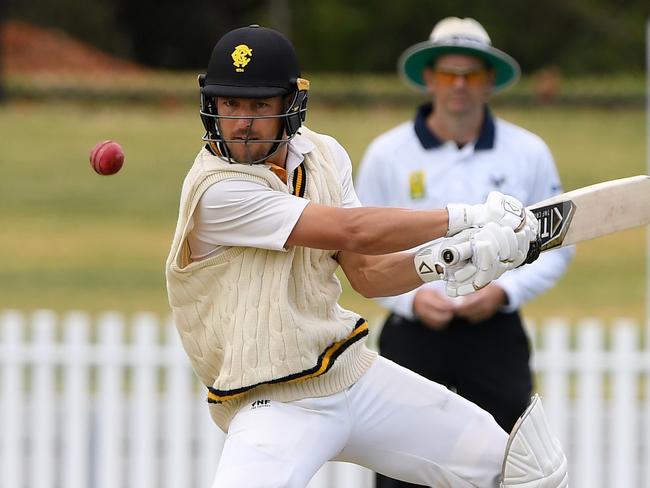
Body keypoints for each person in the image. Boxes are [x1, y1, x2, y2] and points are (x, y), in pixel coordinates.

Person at [165, 24, 567, 488]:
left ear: (290, 104)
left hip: (350, 374)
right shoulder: (216, 191)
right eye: (229, 103)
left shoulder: (324, 154)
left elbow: (369, 273)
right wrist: (468, 217)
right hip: (271, 402)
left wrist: (448, 260)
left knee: (523, 472)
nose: (242, 122)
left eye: (259, 104)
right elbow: (353, 229)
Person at [354, 17, 574, 488]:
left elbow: (556, 248)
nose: (459, 85)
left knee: (513, 463)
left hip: (493, 331)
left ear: (489, 81)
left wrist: (503, 293)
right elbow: (361, 252)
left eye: (471, 75)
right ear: (429, 77)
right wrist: (410, 299)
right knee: (401, 464)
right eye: (448, 73)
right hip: (413, 332)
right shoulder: (388, 154)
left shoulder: (528, 152)